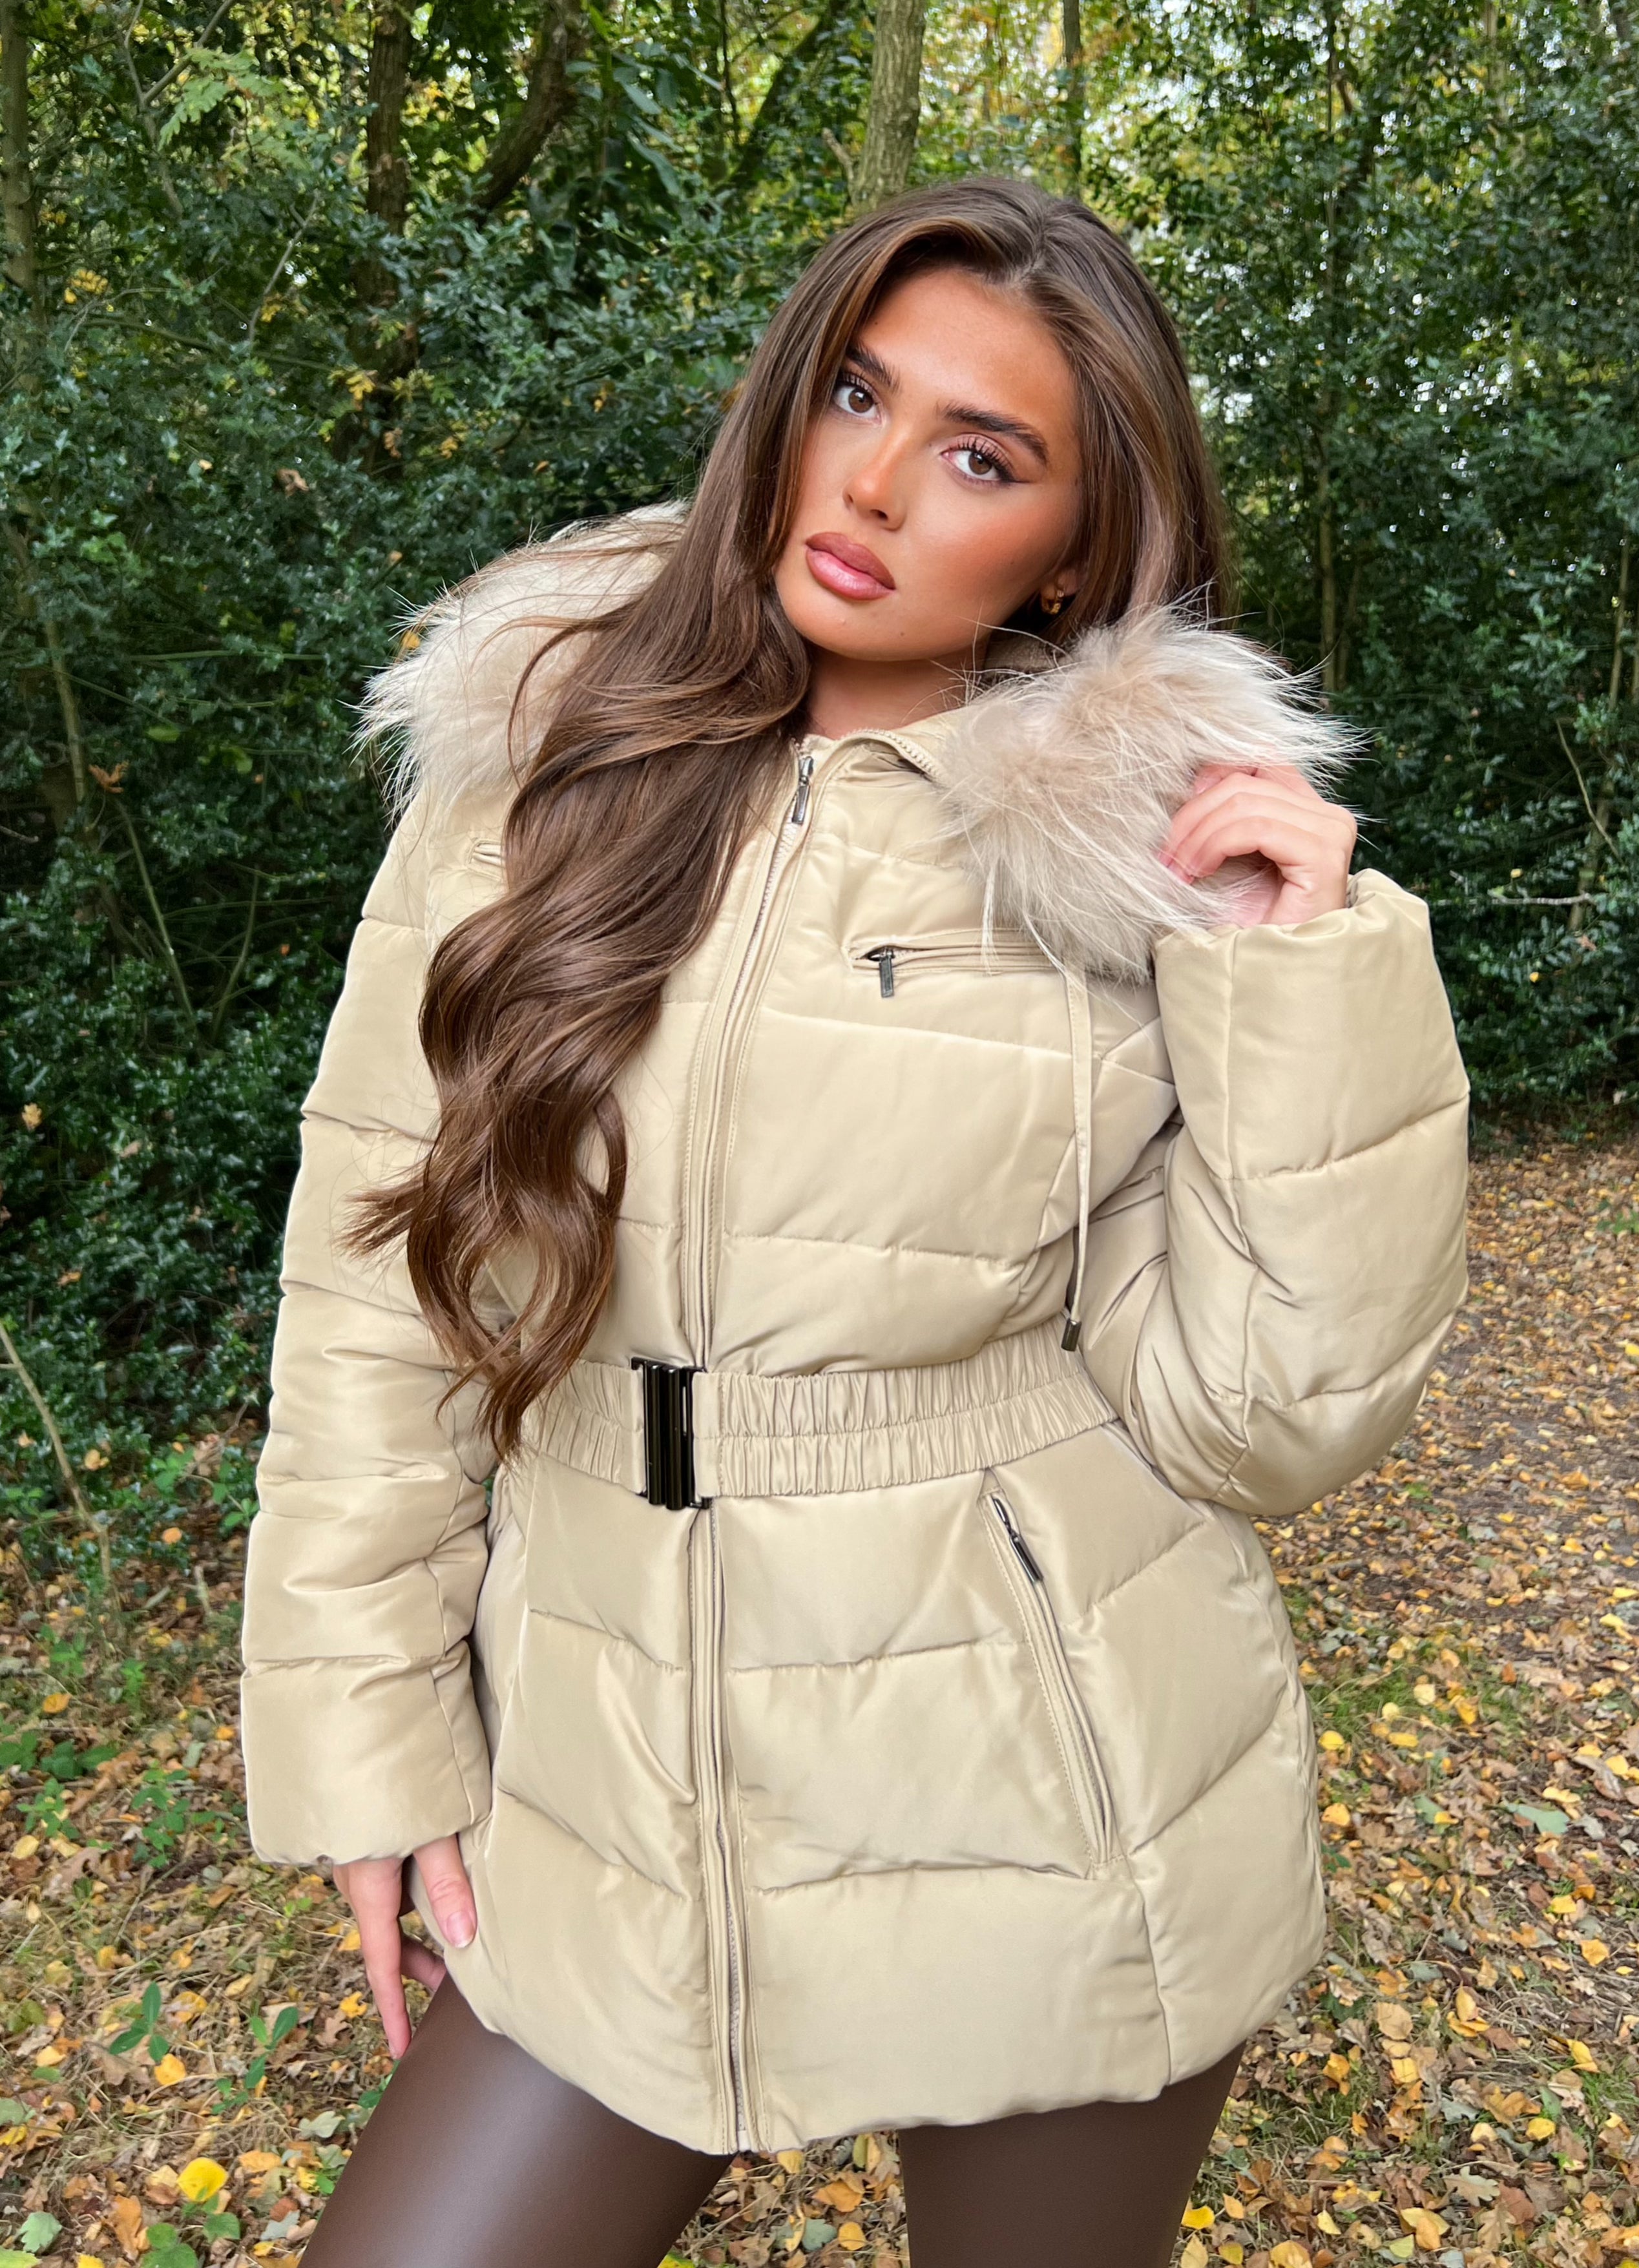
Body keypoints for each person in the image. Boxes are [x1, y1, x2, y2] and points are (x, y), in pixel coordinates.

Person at [238, 174, 1471, 2267]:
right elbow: (378, 1305)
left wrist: (1298, 982)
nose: (878, 484)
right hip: (607, 1783)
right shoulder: (533, 764)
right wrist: (364, 1737)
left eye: (984, 458)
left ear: (1072, 544)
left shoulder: (1132, 858)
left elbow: (1272, 1418)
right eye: (856, 394)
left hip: (1050, 1795)